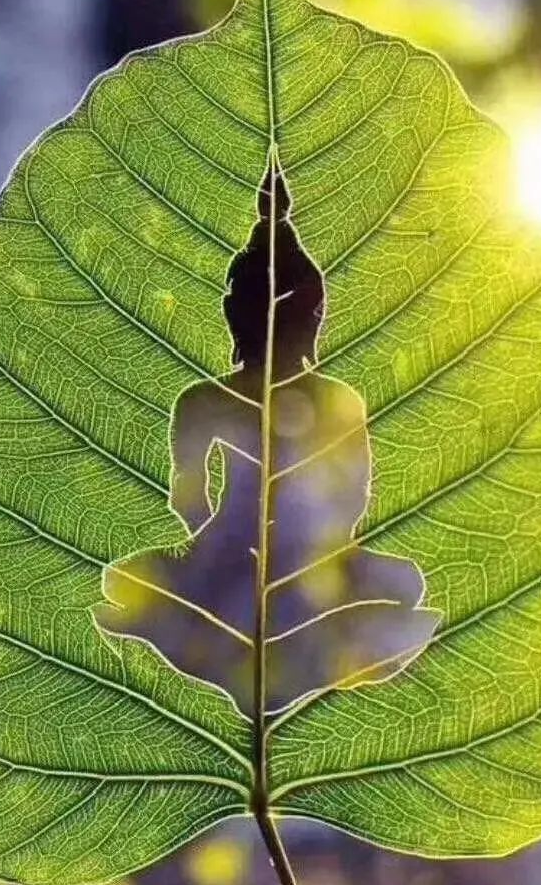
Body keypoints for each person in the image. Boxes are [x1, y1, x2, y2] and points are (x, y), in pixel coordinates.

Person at [98, 167, 431, 707]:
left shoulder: (332, 402)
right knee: (130, 603)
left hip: (313, 570)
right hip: (224, 565)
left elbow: (353, 500)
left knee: (403, 600)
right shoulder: (206, 403)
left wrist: (319, 553)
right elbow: (187, 504)